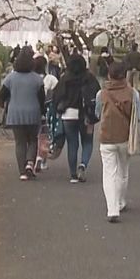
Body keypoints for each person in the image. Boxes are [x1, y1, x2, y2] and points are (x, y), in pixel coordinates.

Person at [97, 62, 140, 222]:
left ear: (109, 75)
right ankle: (121, 201)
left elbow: (97, 114)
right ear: (125, 75)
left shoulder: (101, 93)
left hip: (107, 137)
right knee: (123, 171)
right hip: (125, 137)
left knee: (109, 173)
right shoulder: (133, 93)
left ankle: (112, 208)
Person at [53, 53, 101, 183]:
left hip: (69, 114)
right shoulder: (89, 78)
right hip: (87, 115)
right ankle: (83, 165)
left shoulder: (65, 78)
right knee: (88, 142)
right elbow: (98, 95)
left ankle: (73, 175)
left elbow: (56, 96)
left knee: (72, 144)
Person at [0, 52, 46, 180]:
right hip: (33, 113)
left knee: (20, 142)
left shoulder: (10, 78)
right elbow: (42, 99)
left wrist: (2, 105)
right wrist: (43, 113)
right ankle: (30, 163)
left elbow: (1, 95)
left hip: (15, 114)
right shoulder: (37, 79)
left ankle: (22, 172)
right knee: (32, 140)